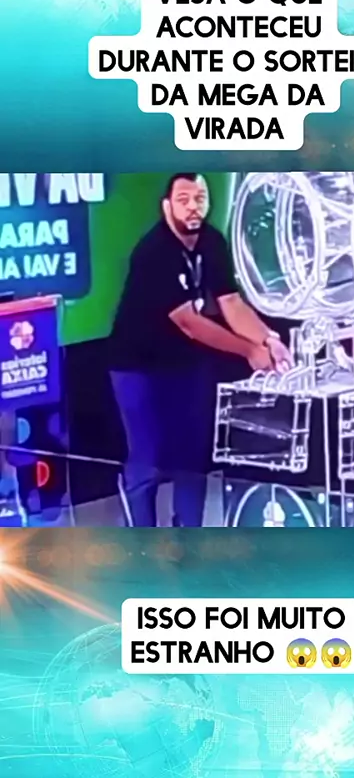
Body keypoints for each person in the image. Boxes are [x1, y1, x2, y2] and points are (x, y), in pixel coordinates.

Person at [109, 173, 292, 527]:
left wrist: (267, 339)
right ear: (167, 206)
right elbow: (189, 322)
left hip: (186, 361)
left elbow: (231, 302)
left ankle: (188, 537)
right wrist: (248, 350)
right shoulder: (153, 252)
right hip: (137, 365)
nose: (193, 207)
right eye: (184, 200)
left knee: (192, 456)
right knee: (148, 457)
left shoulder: (212, 241)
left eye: (200, 198)